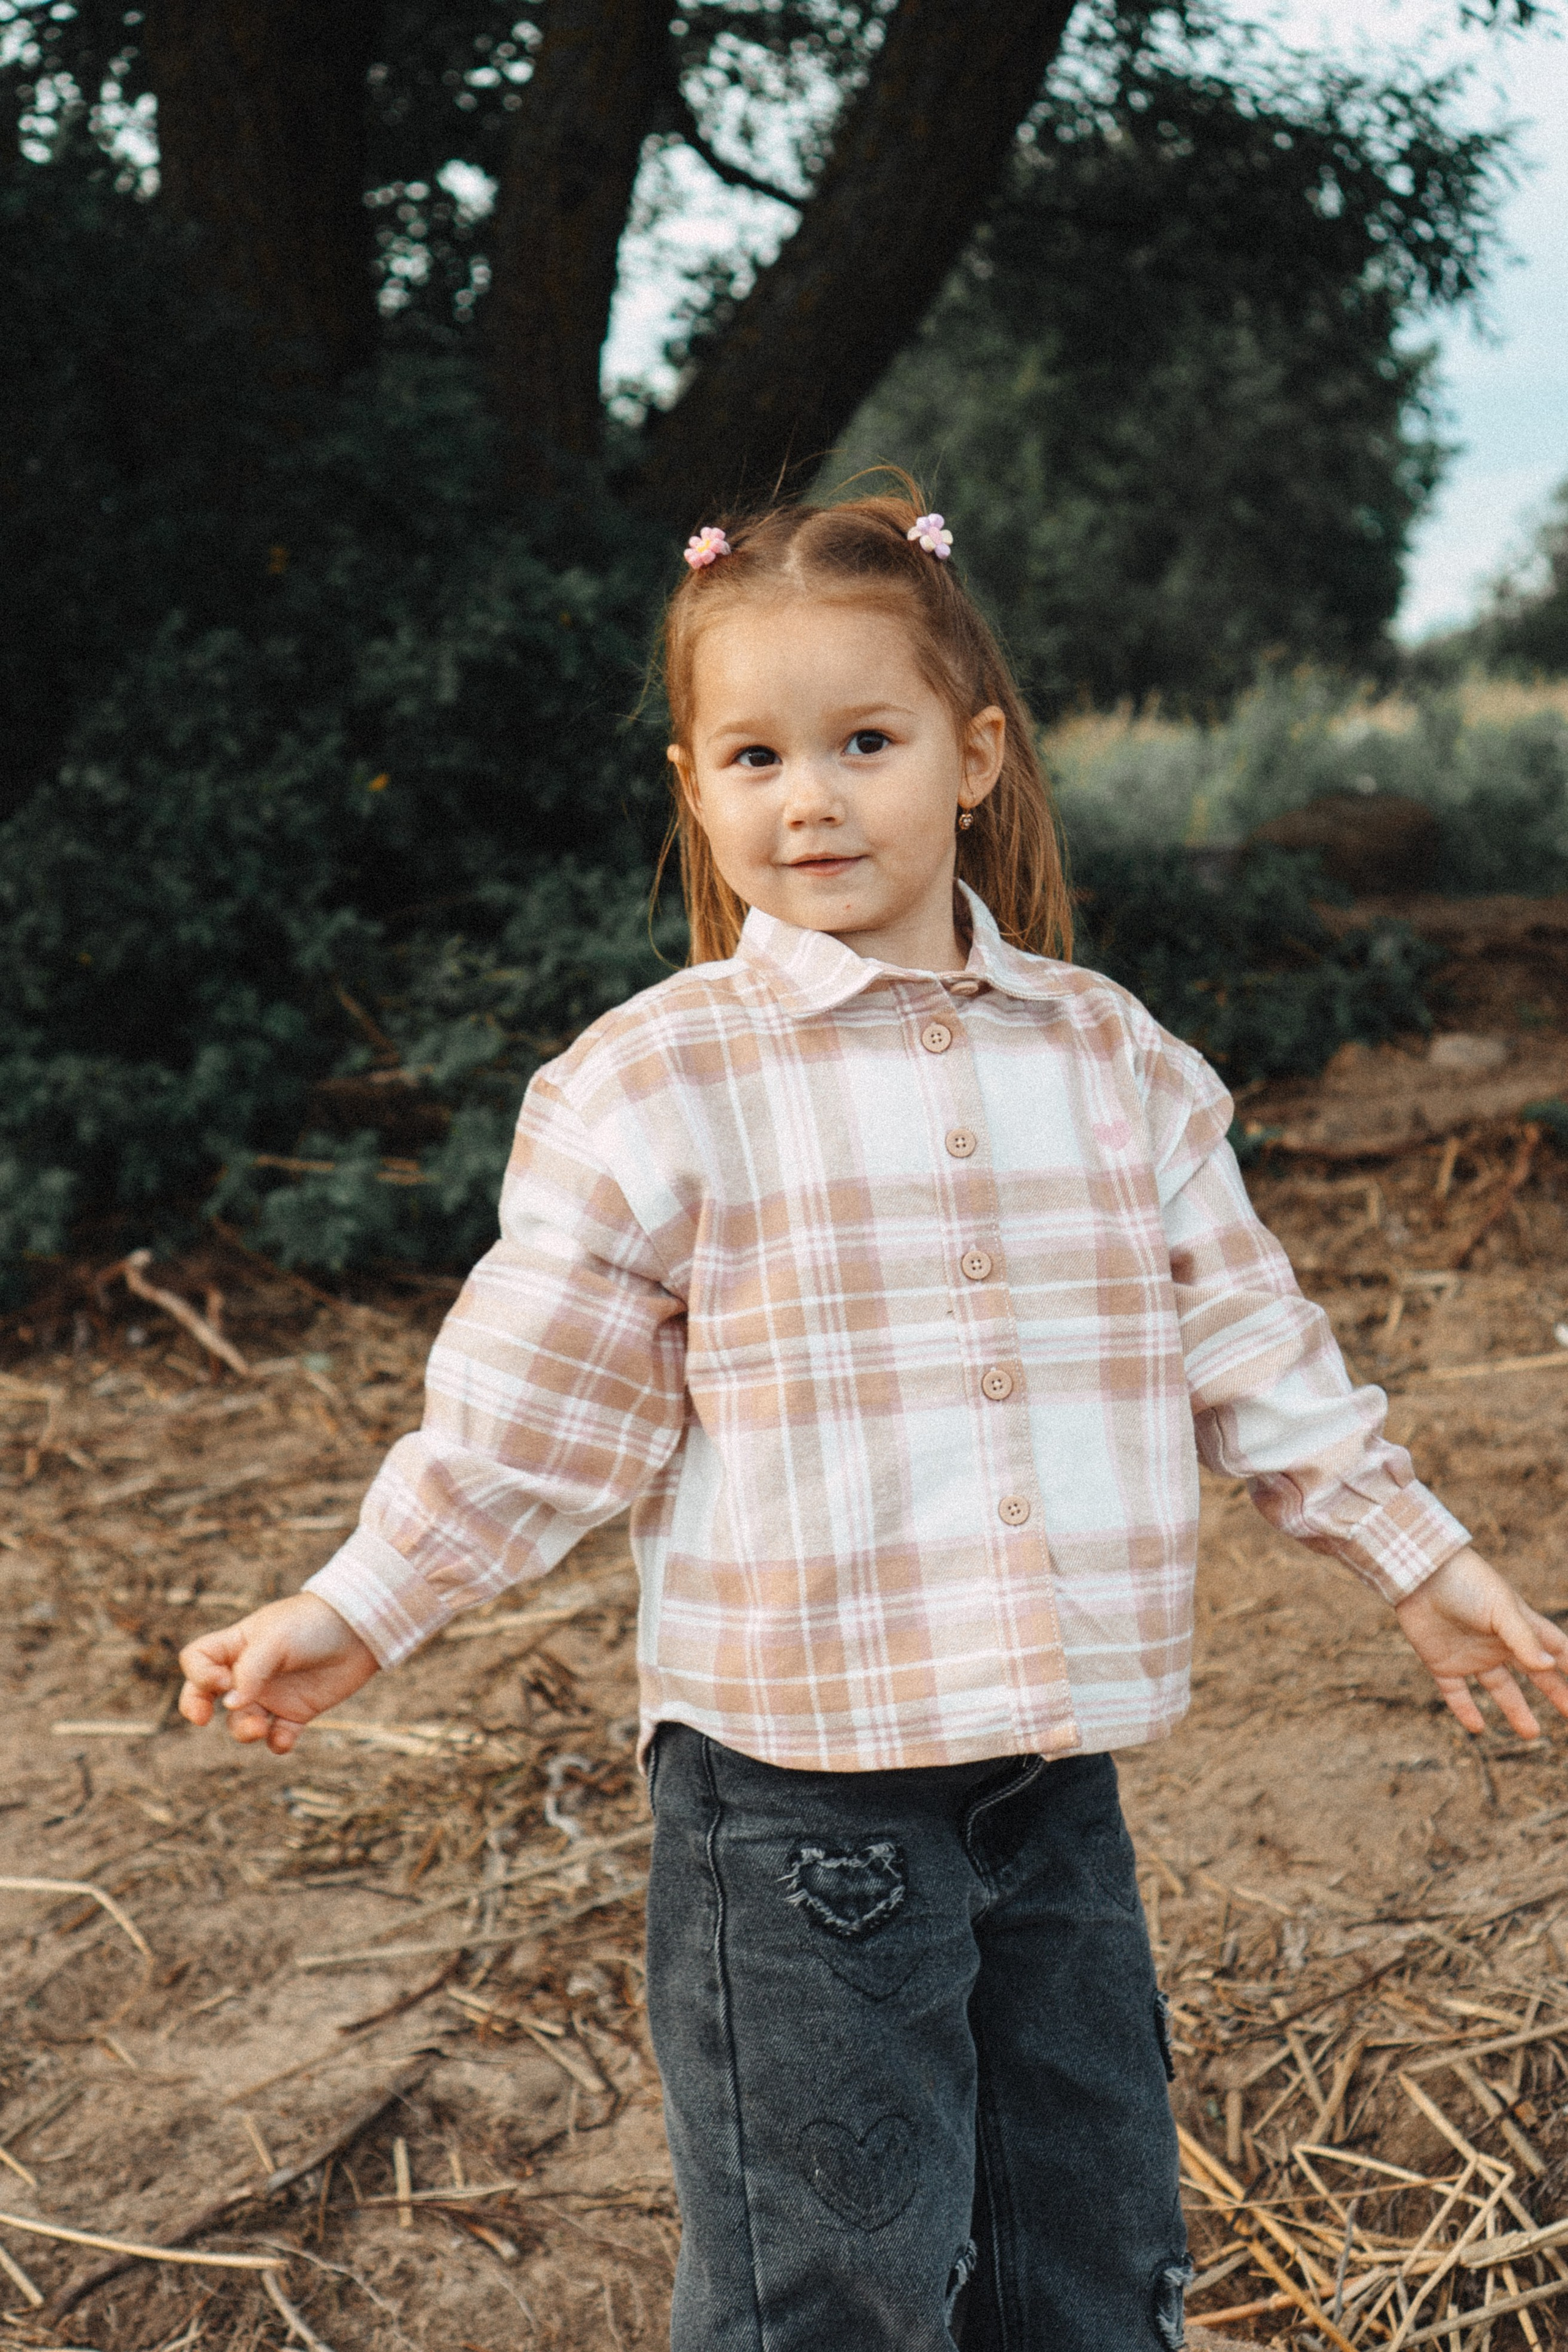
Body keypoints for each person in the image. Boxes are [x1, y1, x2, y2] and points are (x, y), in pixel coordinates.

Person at [179, 488, 1568, 2352]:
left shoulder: (1112, 1059)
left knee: (1093, 2257)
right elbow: (529, 1419)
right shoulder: (654, 1087)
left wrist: (1422, 1559)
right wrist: (358, 1605)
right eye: (754, 756)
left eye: (864, 742)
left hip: (1049, 1778)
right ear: (694, 783)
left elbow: (1249, 1341)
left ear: (974, 756)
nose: (809, 798)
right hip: (790, 1799)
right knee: (831, 2286)